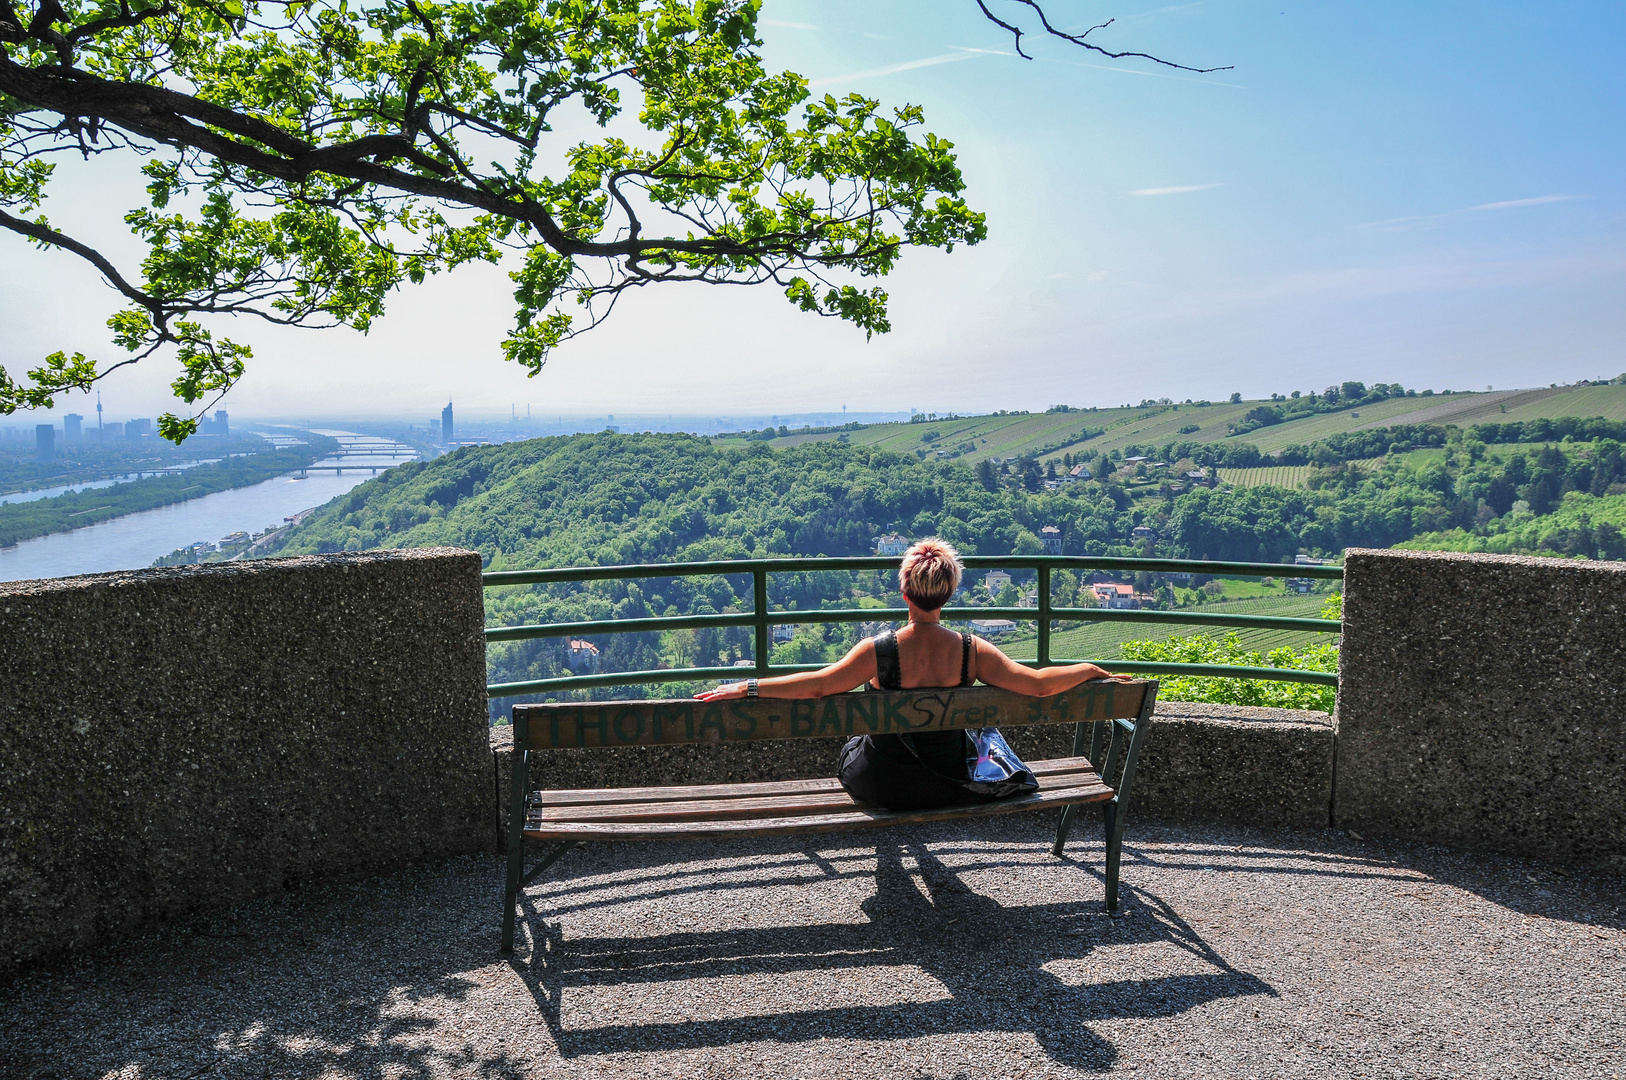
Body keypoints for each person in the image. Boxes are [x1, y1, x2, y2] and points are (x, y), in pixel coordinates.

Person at [696, 538, 1125, 810]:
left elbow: (818, 686)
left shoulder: (876, 651)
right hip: (948, 783)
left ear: (904, 592)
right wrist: (1090, 668)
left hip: (882, 785)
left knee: (855, 743)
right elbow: (1037, 685)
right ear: (950, 593)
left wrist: (746, 685)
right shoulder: (972, 651)